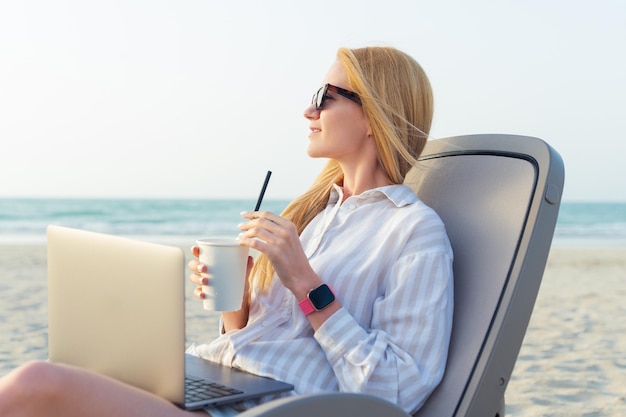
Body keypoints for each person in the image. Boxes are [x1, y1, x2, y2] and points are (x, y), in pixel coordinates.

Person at [0, 46, 453, 417]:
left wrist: (306, 283)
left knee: (36, 386)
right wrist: (237, 304)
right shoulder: (312, 214)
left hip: (270, 409)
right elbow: (262, 334)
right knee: (70, 370)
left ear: (373, 116)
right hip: (221, 385)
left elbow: (396, 392)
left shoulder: (413, 232)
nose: (308, 109)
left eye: (326, 94)